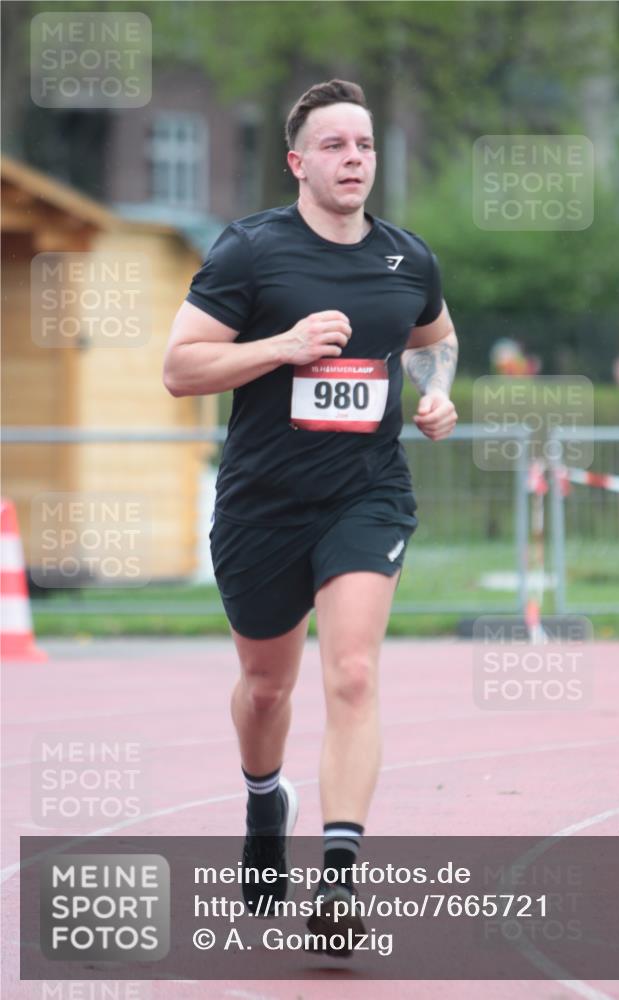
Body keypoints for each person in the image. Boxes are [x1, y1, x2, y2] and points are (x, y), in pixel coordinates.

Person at [163, 79, 459, 955]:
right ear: (298, 163)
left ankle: (338, 878)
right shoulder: (250, 252)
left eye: (363, 145)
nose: (353, 159)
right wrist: (284, 347)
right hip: (261, 501)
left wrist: (436, 393)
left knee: (355, 672)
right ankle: (264, 800)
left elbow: (433, 338)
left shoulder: (407, 258)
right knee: (266, 687)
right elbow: (181, 367)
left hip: (365, 493)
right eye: (333, 146)